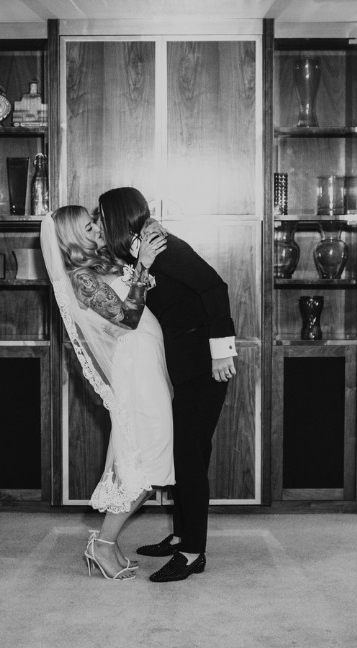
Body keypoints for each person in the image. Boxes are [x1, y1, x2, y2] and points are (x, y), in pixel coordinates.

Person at [98, 187, 236, 583]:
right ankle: (181, 536)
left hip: (205, 365)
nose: (102, 225)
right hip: (184, 365)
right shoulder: (140, 250)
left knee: (190, 458)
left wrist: (222, 351)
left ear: (119, 217)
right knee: (186, 454)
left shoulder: (163, 244)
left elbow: (215, 288)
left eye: (103, 217)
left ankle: (193, 553)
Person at [40, 205, 174, 580]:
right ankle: (102, 544)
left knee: (153, 457)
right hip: (134, 370)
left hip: (148, 363)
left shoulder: (102, 264)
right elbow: (128, 317)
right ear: (73, 238)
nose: (98, 228)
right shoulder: (82, 278)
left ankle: (108, 544)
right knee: (145, 459)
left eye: (95, 221)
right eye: (89, 226)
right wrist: (143, 266)